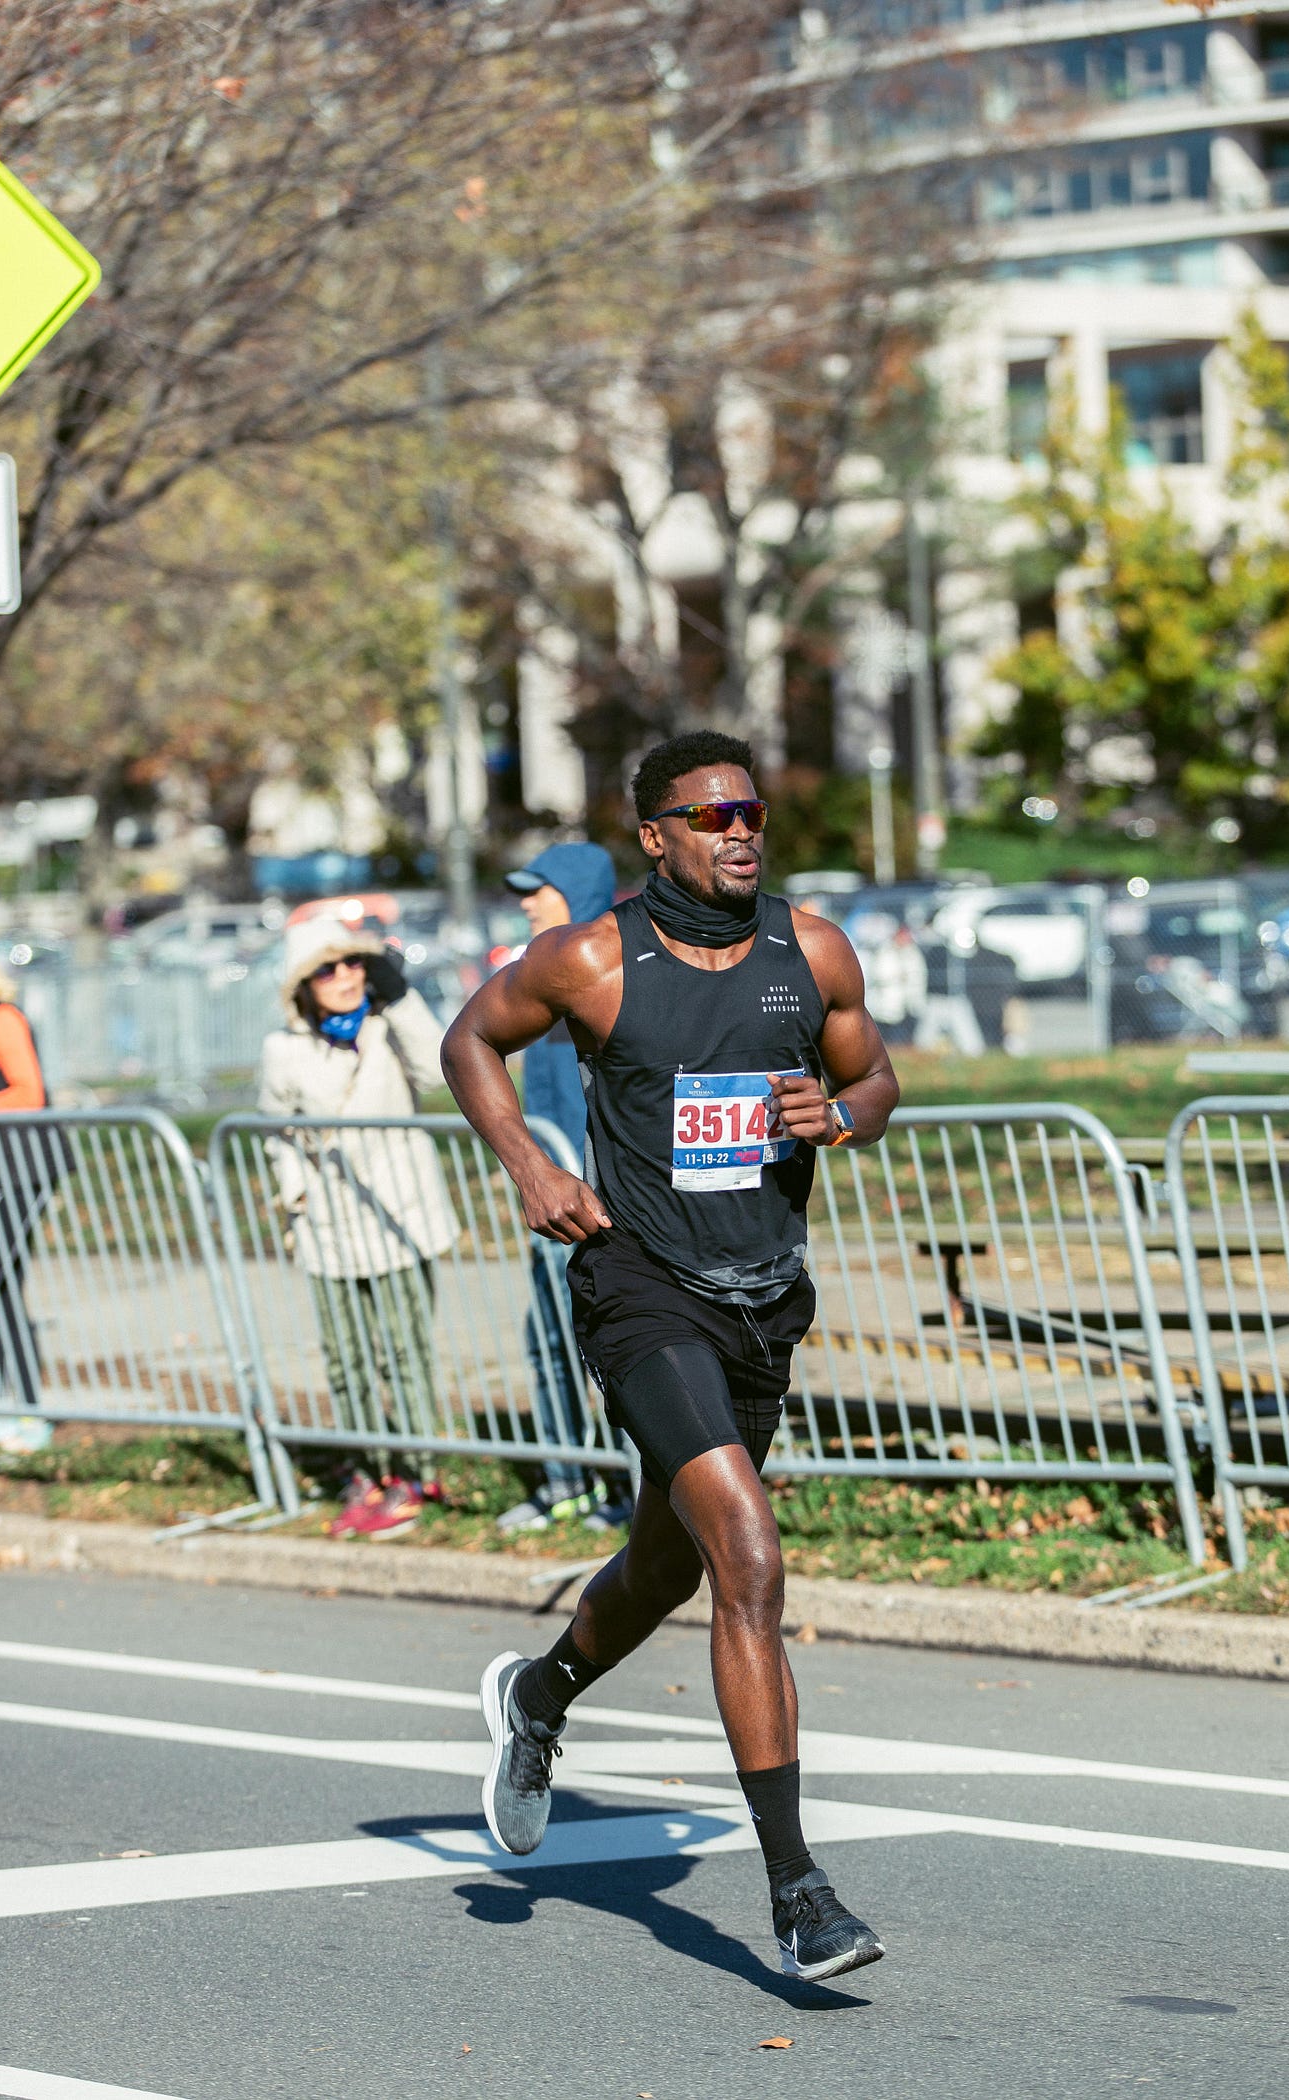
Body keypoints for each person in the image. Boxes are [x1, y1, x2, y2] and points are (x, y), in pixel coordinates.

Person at [442, 729, 899, 1982]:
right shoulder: (591, 959)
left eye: (749, 812)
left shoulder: (811, 950)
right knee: (746, 1554)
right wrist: (532, 1169)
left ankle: (538, 1696)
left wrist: (837, 1116)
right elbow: (469, 1040)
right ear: (655, 836)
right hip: (639, 1287)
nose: (738, 832)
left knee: (667, 1560)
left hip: (762, 1295)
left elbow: (874, 1079)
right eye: (709, 817)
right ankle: (799, 1894)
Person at [261, 917, 458, 1539]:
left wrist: (400, 998)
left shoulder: (386, 1026)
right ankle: (366, 1471)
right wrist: (294, 1193)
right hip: (328, 1226)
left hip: (399, 1217)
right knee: (346, 1359)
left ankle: (415, 1473)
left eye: (354, 964)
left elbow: (440, 1071)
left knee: (405, 1352)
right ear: (303, 984)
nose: (345, 977)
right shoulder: (283, 1049)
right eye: (327, 969)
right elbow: (275, 1131)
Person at [498, 841, 622, 1533]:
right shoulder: (534, 976)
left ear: (574, 893)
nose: (525, 902)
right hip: (549, 1204)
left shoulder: (608, 969)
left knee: (621, 1348)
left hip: (607, 1203)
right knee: (547, 1339)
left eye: (537, 888)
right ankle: (566, 1482)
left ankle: (637, 1489)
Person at [0, 966, 60, 1445]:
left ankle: (28, 1409)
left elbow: (28, 1092)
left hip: (20, 1169)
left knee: (3, 1283)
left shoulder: (3, 1018)